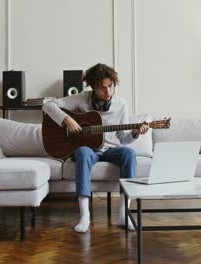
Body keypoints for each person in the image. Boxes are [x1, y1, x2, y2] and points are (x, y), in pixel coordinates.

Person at [42, 63, 149, 233]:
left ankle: (123, 213)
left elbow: (123, 138)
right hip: (89, 151)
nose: (108, 93)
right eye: (102, 88)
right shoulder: (81, 99)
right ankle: (84, 216)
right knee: (83, 152)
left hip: (112, 150)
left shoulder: (121, 104)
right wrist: (67, 120)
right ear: (93, 87)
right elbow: (47, 105)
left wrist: (135, 133)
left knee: (129, 153)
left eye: (110, 87)